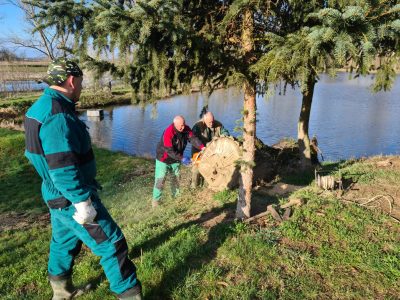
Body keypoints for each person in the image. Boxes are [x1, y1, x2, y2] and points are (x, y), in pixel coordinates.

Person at [24, 58, 142, 300]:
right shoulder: (57, 115)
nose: (80, 86)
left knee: (62, 243)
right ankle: (130, 296)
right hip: (70, 199)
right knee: (112, 245)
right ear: (71, 80)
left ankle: (61, 293)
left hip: (54, 196)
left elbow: (36, 156)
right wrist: (82, 203)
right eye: (80, 81)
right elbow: (63, 169)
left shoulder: (39, 107)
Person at [152, 115, 204, 207]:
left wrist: (202, 147)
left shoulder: (186, 129)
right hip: (163, 159)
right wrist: (182, 158)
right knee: (160, 180)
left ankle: (176, 198)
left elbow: (193, 139)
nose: (183, 127)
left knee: (176, 179)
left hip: (176, 159)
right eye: (181, 125)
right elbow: (169, 150)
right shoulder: (168, 132)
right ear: (175, 124)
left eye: (184, 125)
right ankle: (156, 201)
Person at [191, 111, 229, 188]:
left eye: (212, 122)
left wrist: (222, 136)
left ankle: (210, 185)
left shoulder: (218, 125)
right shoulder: (197, 126)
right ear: (204, 120)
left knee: (213, 168)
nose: (211, 124)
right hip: (199, 151)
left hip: (213, 152)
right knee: (196, 169)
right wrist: (202, 147)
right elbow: (193, 139)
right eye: (209, 122)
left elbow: (225, 133)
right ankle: (194, 187)